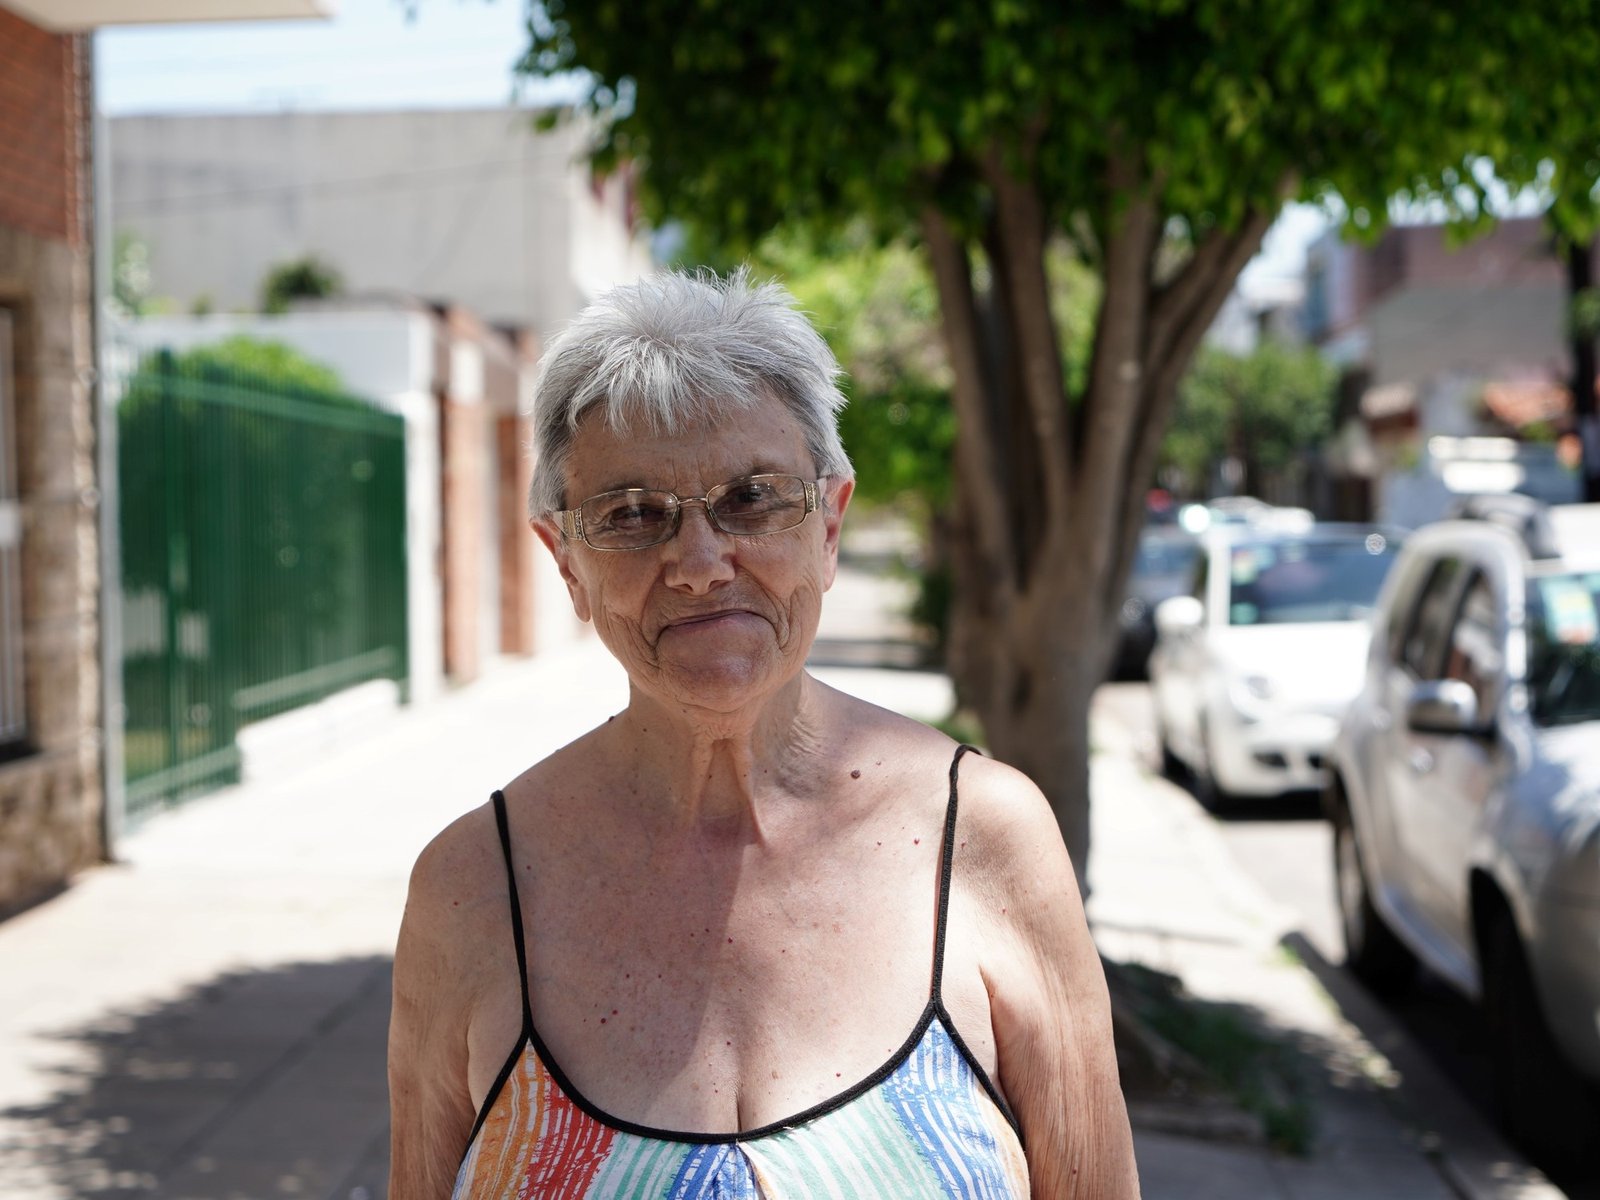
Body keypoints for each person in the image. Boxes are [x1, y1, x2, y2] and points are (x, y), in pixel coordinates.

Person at [387, 270, 1140, 1199]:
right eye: (631, 515)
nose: (700, 565)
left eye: (752, 498)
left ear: (829, 524)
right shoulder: (470, 889)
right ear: (566, 563)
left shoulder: (984, 840)